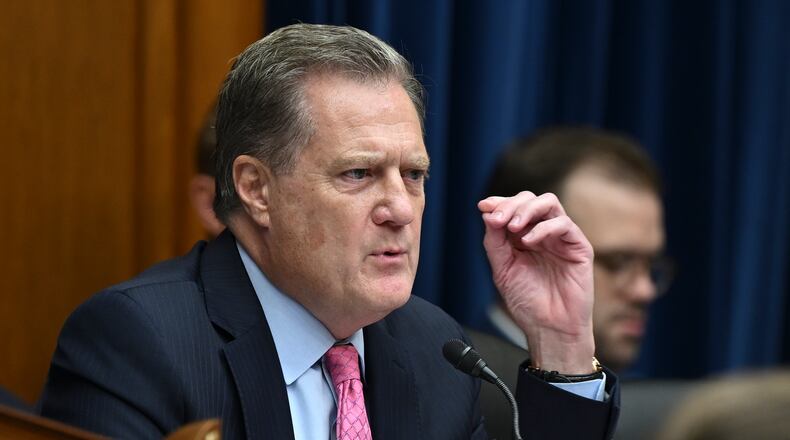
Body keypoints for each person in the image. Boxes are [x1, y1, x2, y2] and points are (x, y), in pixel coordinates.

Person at [39, 24, 619, 439]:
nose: (400, 208)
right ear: (256, 189)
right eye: (358, 173)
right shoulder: (141, 342)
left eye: (413, 174)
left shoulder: (430, 349)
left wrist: (561, 344)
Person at [482, 127, 672, 373]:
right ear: (524, 246)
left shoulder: (629, 395)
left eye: (649, 264)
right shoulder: (468, 390)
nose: (644, 291)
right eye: (618, 262)